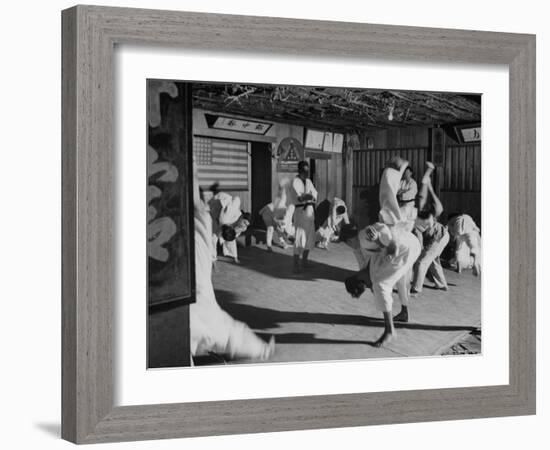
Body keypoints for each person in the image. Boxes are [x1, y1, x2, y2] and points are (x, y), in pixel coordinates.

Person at [190, 170, 275, 362]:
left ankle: (258, 349)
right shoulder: (205, 222)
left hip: (188, 287)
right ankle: (259, 350)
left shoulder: (206, 221)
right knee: (216, 327)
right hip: (194, 295)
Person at [341, 221, 421, 347]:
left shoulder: (364, 238)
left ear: (349, 240)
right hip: (412, 243)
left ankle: (389, 331)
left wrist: (379, 241)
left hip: (404, 249)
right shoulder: (360, 248)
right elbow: (364, 266)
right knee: (395, 280)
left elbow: (385, 232)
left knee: (381, 284)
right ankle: (404, 312)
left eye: (348, 243)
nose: (350, 246)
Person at [411, 162, 450, 294]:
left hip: (440, 235)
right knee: (432, 260)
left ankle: (416, 288)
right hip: (436, 236)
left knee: (422, 262)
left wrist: (429, 184)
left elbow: (419, 239)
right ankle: (442, 284)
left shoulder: (428, 212)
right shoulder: (414, 216)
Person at [290, 161, 318, 273]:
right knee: (299, 238)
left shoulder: (308, 181)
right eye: (304, 171)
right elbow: (301, 198)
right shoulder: (295, 182)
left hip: (310, 212)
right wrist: (308, 196)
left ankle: (305, 262)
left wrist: (309, 196)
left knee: (310, 238)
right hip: (301, 212)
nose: (306, 173)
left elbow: (315, 194)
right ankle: (296, 265)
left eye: (307, 171)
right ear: (299, 170)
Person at [208, 191, 250, 264]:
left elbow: (232, 238)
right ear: (242, 217)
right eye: (244, 222)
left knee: (229, 238)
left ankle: (234, 256)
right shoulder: (229, 213)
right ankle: (213, 259)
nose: (244, 225)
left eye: (246, 225)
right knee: (213, 238)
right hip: (217, 202)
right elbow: (237, 199)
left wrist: (235, 257)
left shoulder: (242, 227)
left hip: (221, 217)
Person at [259, 179, 295, 252]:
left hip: (272, 212)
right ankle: (269, 246)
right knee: (271, 228)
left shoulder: (287, 207)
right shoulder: (282, 206)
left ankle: (283, 243)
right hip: (267, 213)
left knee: (278, 229)